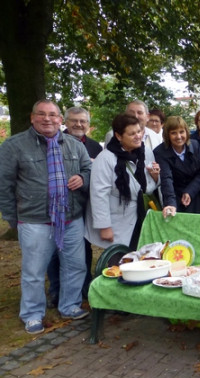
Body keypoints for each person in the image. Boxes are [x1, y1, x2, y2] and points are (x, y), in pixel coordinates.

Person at [0, 100, 92, 334]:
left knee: (75, 266)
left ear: (61, 120)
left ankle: (69, 306)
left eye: (53, 115)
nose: (47, 119)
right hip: (35, 221)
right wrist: (13, 219)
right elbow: (4, 186)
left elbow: (89, 170)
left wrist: (83, 179)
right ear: (32, 118)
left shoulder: (74, 145)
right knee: (34, 271)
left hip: (71, 219)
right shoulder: (14, 146)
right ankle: (32, 314)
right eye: (41, 114)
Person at [47, 106, 103, 308]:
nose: (79, 124)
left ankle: (84, 287)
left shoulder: (96, 147)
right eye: (74, 121)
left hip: (85, 206)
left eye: (83, 121)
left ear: (88, 124)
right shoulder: (54, 142)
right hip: (58, 209)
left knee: (83, 251)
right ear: (65, 122)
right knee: (55, 252)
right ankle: (56, 291)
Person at [85, 113, 160, 250]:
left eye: (139, 131)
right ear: (119, 136)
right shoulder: (105, 159)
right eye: (132, 134)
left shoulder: (146, 152)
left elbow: (147, 188)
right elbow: (98, 195)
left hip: (142, 216)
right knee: (119, 263)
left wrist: (155, 177)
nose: (138, 136)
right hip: (117, 222)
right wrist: (104, 226)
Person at [153, 116, 200, 215]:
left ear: (186, 132)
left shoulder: (195, 146)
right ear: (167, 135)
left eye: (181, 132)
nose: (178, 136)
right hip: (174, 195)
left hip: (195, 194)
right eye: (173, 133)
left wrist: (189, 191)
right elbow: (166, 178)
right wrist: (170, 203)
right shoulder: (160, 152)